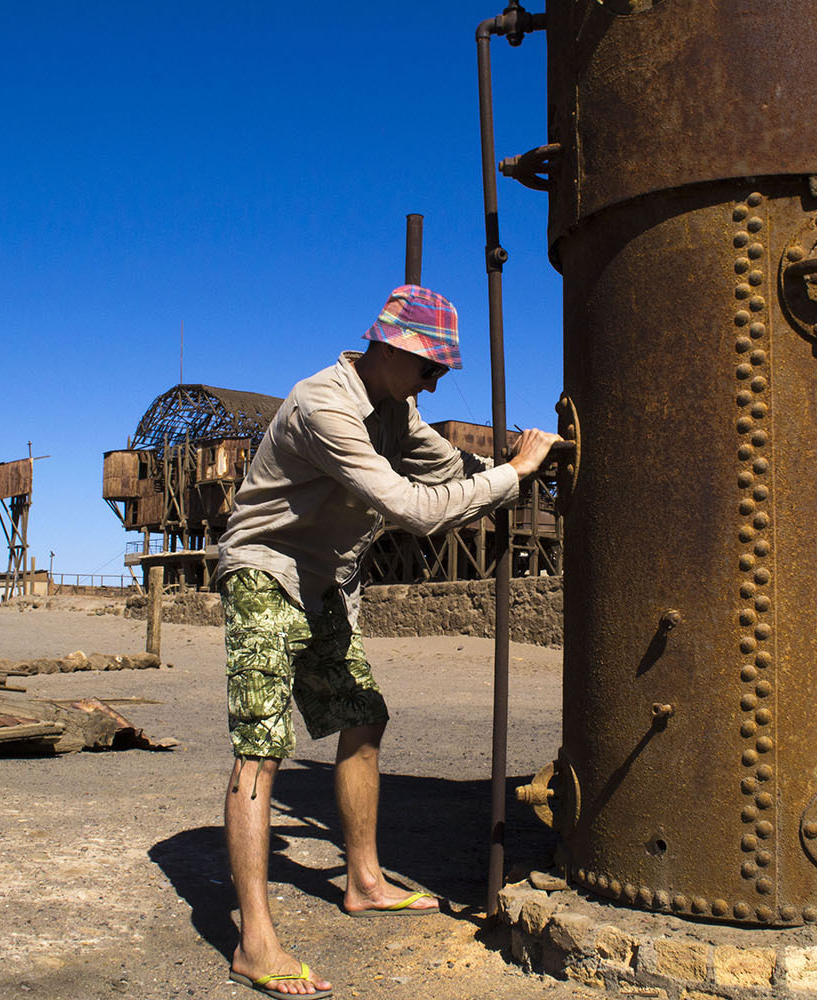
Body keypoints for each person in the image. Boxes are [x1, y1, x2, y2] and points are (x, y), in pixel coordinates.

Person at [215, 285, 560, 999]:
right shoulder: (325, 405)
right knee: (261, 748)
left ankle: (364, 882)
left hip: (326, 579)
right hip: (265, 569)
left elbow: (446, 474)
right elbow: (411, 509)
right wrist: (512, 476)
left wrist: (517, 469)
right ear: (391, 350)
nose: (435, 383)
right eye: (431, 368)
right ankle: (254, 939)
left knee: (363, 717)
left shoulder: (396, 410)